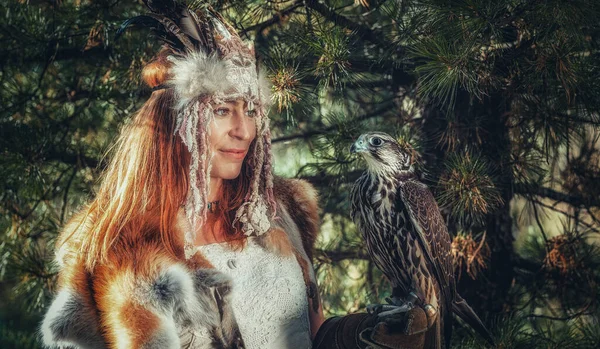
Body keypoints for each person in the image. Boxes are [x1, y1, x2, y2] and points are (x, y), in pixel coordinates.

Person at [41, 3, 429, 348]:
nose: (244, 130)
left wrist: (360, 334)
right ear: (176, 121)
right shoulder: (111, 248)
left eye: (252, 110)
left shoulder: (280, 214)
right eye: (223, 110)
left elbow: (314, 331)